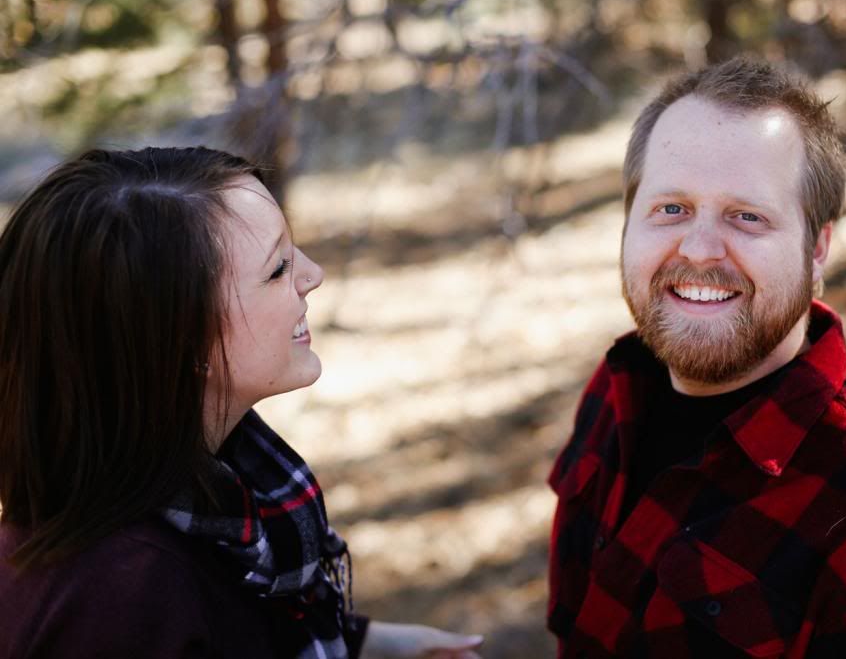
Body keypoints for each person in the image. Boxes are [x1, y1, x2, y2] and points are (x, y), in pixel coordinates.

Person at [547, 58, 846, 657]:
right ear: (628, 224)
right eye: (671, 209)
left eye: (748, 217)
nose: (702, 249)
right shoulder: (617, 387)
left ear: (818, 250)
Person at [0, 147, 484, 659]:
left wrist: (371, 644)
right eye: (277, 269)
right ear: (180, 340)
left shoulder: (213, 494)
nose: (312, 274)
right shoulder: (122, 599)